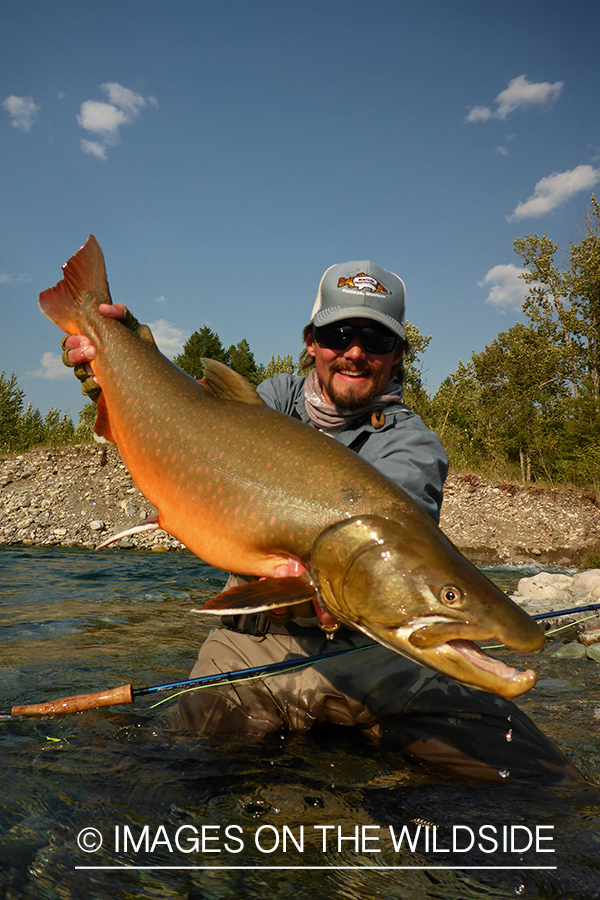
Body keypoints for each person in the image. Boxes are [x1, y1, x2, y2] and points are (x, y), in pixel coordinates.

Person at [63, 260, 581, 783]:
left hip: (378, 659)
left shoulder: (413, 443)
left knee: (540, 782)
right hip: (254, 641)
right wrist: (121, 356)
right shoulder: (269, 400)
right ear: (311, 341)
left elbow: (395, 555)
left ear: (397, 355)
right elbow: (181, 421)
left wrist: (424, 597)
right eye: (339, 334)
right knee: (157, 775)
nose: (355, 351)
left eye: (376, 339)